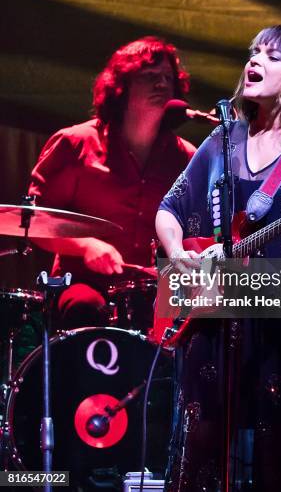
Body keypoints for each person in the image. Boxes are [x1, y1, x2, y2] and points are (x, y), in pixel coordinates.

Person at [156, 25, 281, 491]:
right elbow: (169, 209)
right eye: (254, 52)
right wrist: (176, 253)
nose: (256, 60)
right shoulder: (221, 142)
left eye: (273, 56)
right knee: (203, 453)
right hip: (213, 325)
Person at [29, 36, 196, 330]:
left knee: (218, 316)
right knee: (85, 308)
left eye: (168, 78)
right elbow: (35, 222)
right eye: (150, 77)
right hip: (83, 284)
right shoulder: (75, 144)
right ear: (122, 86)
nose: (162, 85)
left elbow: (200, 232)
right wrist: (86, 246)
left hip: (154, 290)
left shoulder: (186, 158)